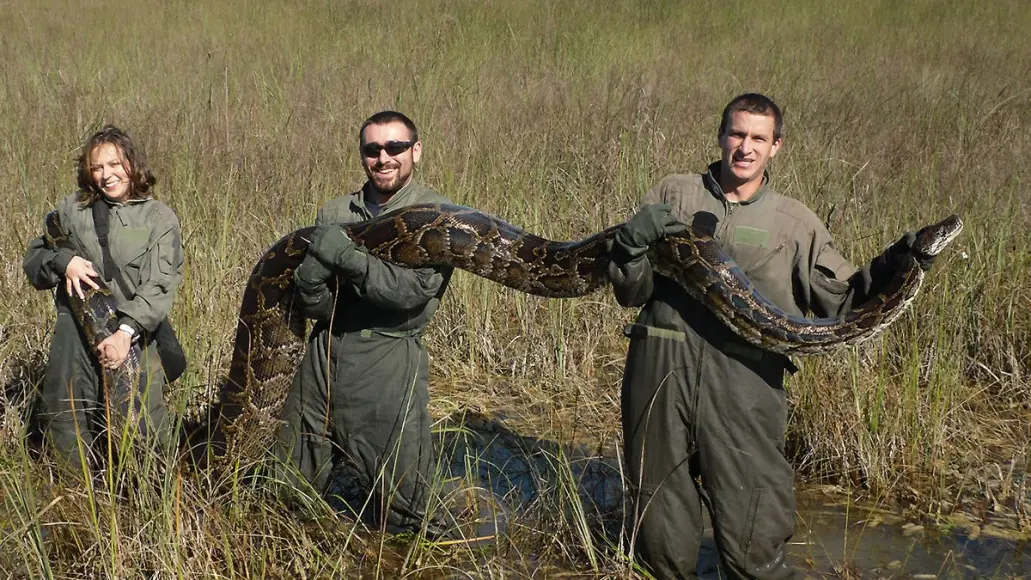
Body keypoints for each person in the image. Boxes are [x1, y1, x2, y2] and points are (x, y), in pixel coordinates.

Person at [608, 93, 937, 579]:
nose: (745, 147)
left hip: (745, 387)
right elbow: (631, 292)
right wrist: (630, 245)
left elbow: (844, 304)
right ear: (721, 136)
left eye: (758, 138)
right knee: (658, 533)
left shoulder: (794, 222)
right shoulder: (672, 195)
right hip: (659, 373)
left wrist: (899, 265)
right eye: (737, 134)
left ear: (776, 146)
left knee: (753, 536)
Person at [275, 110, 453, 536]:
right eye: (373, 149)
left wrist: (349, 259)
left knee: (405, 509)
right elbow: (317, 306)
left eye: (395, 147)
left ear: (416, 150)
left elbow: (409, 293)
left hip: (388, 355)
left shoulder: (439, 215)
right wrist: (311, 288)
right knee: (289, 482)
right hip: (324, 353)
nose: (384, 158)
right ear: (362, 155)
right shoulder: (336, 211)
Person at [23, 124, 184, 470]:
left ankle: (147, 502)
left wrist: (125, 334)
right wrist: (64, 262)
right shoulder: (71, 210)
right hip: (75, 329)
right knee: (66, 415)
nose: (107, 175)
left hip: (135, 332)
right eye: (97, 168)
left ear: (132, 163)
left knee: (145, 431)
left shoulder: (159, 218)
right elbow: (35, 260)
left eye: (115, 165)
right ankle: (75, 500)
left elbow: (159, 285)